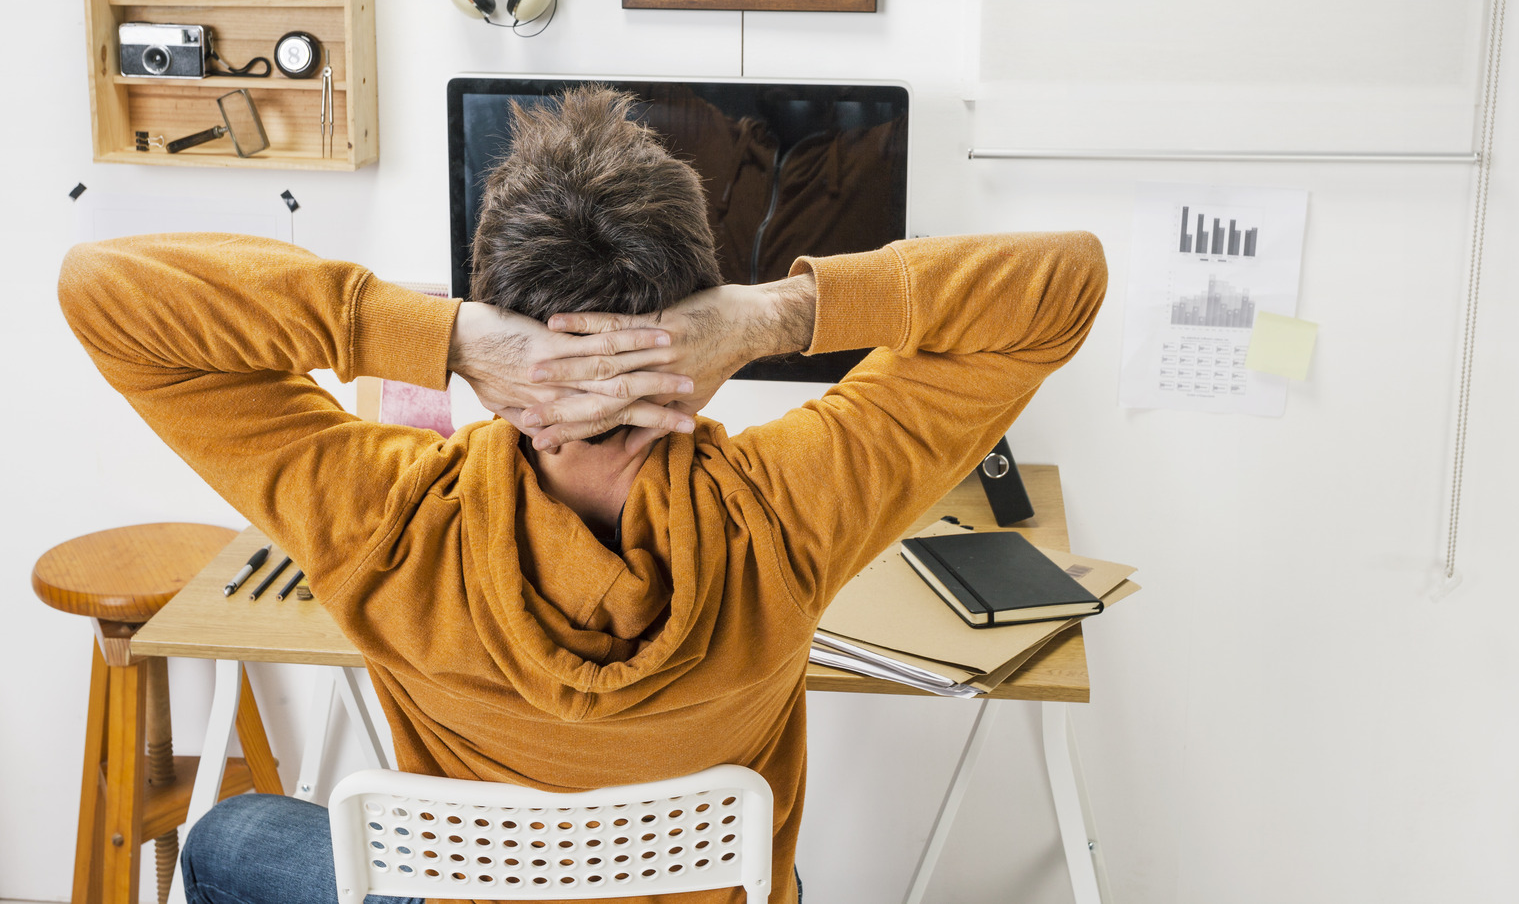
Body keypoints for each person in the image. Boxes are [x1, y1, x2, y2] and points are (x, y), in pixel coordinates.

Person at [58, 85, 1107, 904]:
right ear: (697, 313)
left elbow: (105, 294)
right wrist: (772, 316)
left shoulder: (383, 519)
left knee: (227, 836)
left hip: (478, 888)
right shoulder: (791, 510)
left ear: (500, 318)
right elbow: (1064, 285)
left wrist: (447, 338)